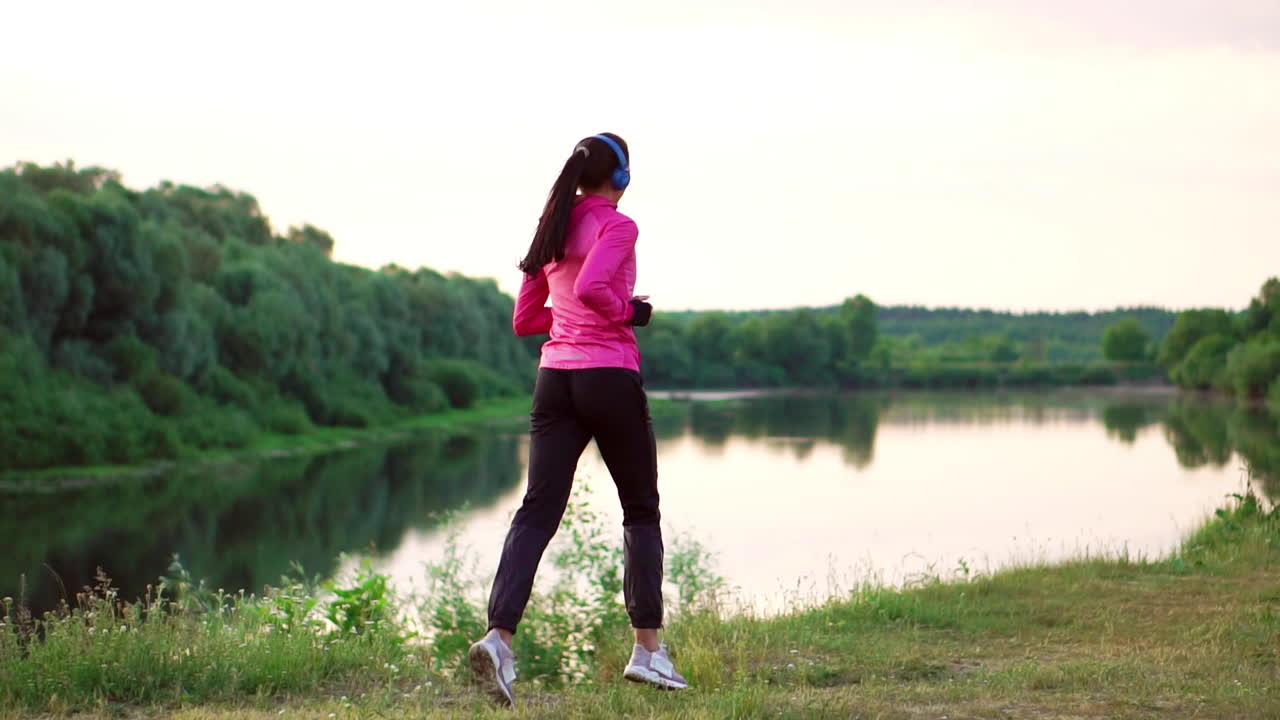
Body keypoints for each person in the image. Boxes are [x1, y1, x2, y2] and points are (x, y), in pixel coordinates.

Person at [468, 133, 687, 706]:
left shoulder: (552, 226)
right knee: (640, 508)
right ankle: (648, 652)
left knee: (538, 508)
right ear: (620, 178)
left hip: (555, 380)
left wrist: (567, 313)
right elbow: (592, 287)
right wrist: (631, 312)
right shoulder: (618, 226)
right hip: (607, 376)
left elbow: (524, 319)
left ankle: (499, 639)